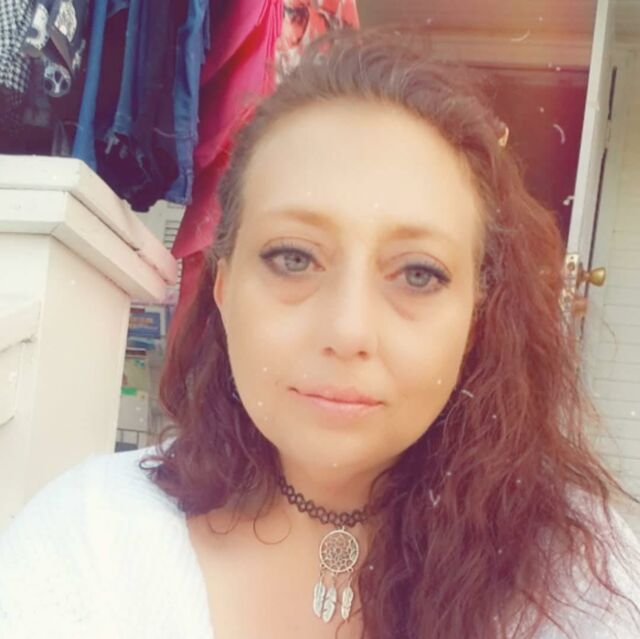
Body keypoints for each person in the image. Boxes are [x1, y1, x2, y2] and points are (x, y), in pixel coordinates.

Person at [1, 25, 640, 639]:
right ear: (223, 287)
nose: (348, 330)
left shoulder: (581, 586)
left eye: (418, 273)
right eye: (294, 258)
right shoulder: (94, 536)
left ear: (477, 317)